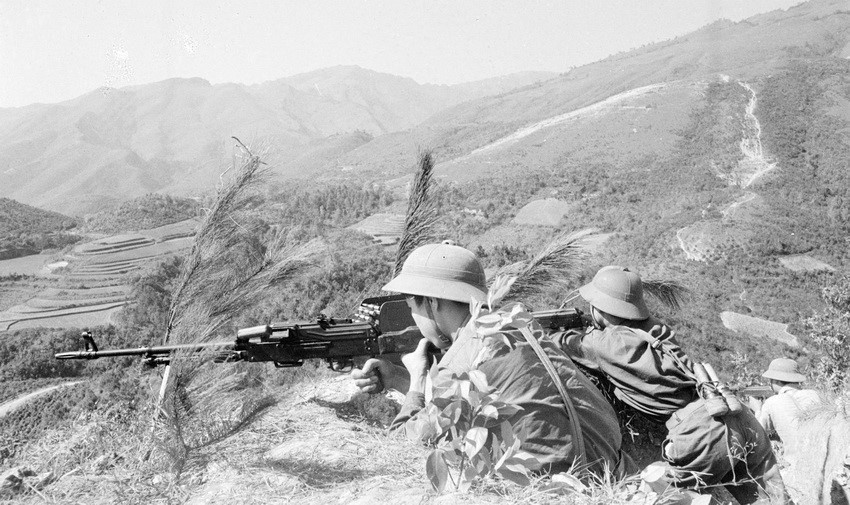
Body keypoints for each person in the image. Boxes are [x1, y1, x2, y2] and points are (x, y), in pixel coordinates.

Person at [351, 241, 631, 478]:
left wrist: (416, 382)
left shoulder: (465, 360)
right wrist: (398, 378)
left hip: (561, 487)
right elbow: (475, 398)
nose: (414, 317)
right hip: (611, 468)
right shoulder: (517, 324)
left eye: (413, 306)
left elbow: (404, 442)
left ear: (432, 302)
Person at [556, 266, 787, 504]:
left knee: (651, 494)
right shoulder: (657, 329)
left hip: (701, 434)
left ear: (599, 309)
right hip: (737, 415)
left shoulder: (606, 344)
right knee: (774, 499)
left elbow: (564, 343)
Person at [752, 358, 821, 445]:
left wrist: (757, 410)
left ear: (775, 380)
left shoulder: (772, 402)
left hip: (795, 457)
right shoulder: (814, 394)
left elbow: (758, 436)